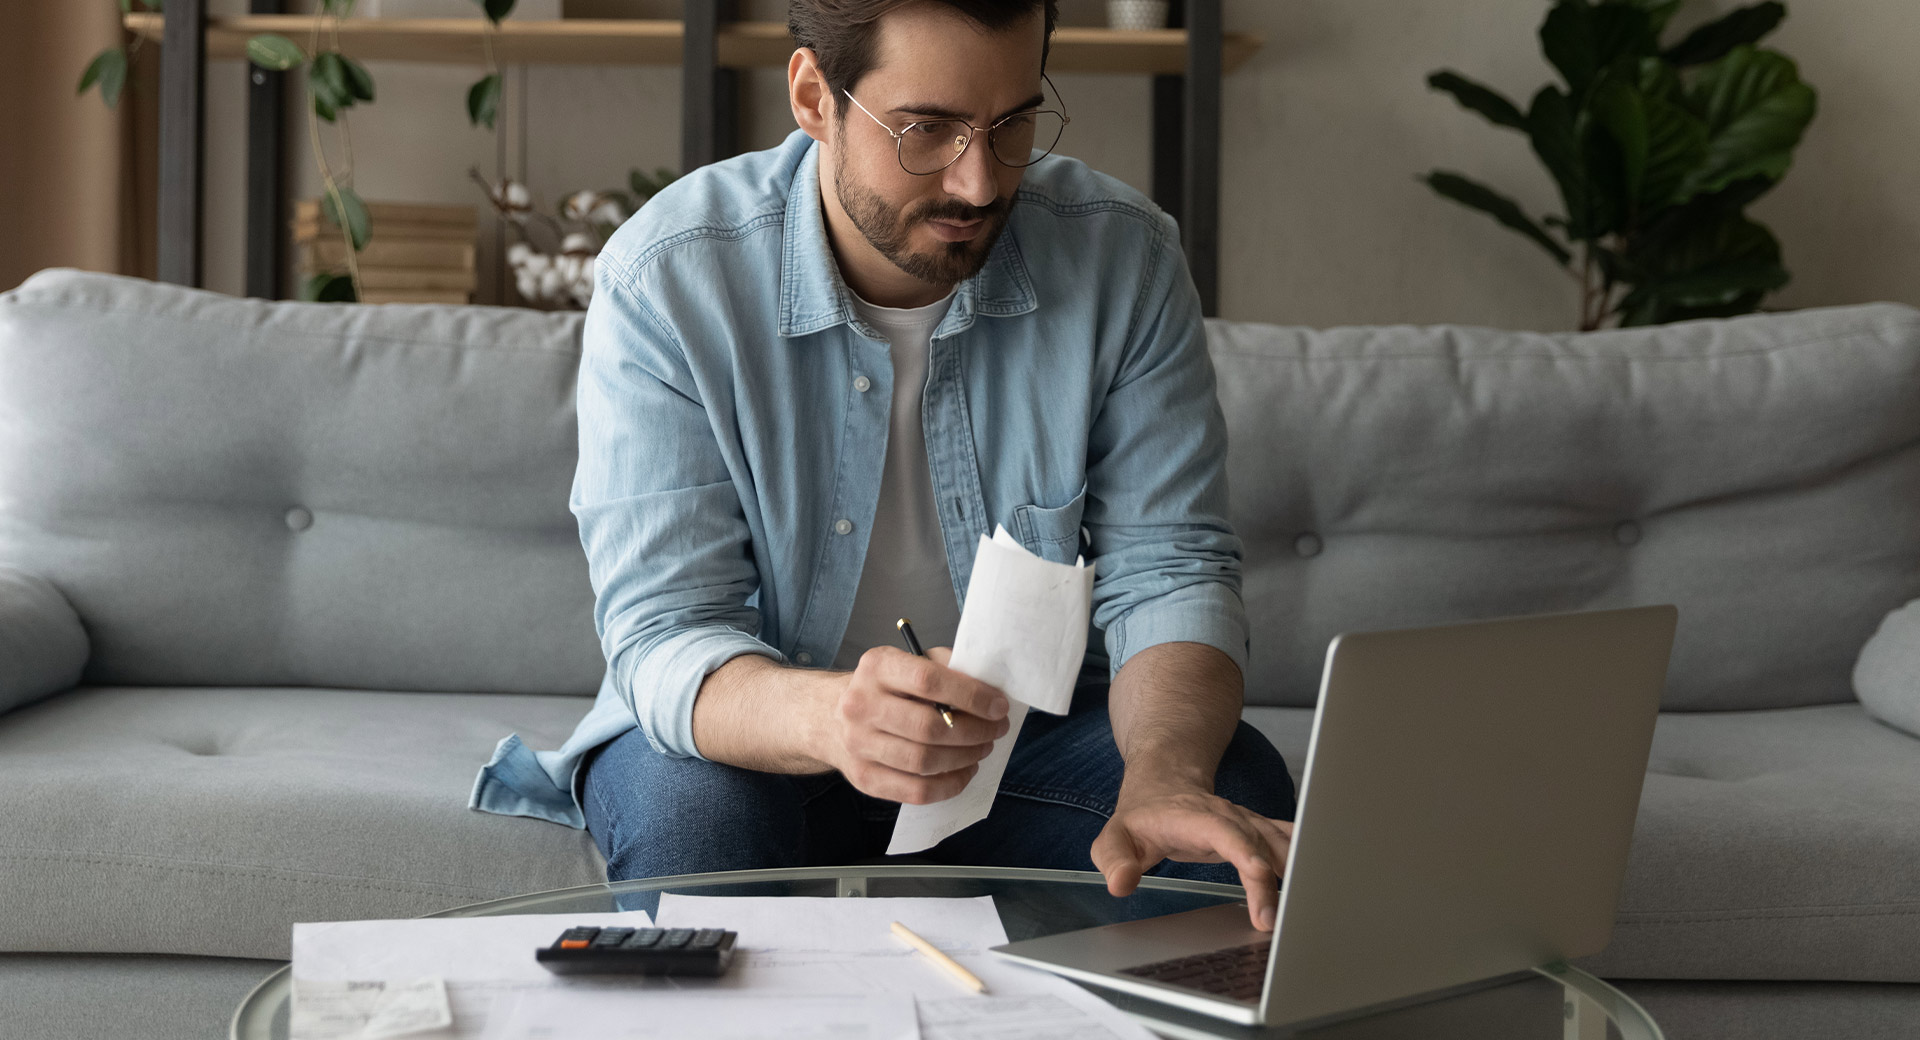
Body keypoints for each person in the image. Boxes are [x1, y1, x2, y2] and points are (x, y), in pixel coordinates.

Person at [471, 0, 1297, 931]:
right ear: (814, 96)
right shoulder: (670, 278)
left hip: (1026, 740)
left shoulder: (1123, 260)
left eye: (1013, 125)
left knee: (1231, 805)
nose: (980, 181)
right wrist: (836, 719)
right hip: (747, 735)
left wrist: (1166, 777)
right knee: (697, 828)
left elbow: (1171, 571)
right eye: (927, 130)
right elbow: (666, 631)